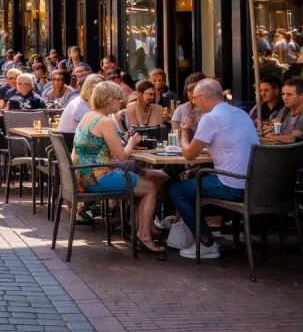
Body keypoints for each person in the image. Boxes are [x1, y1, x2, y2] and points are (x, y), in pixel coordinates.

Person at [170, 79, 260, 259]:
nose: (194, 102)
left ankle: (206, 242)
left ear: (206, 97)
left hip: (232, 185)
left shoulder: (210, 118)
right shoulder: (241, 113)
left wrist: (184, 131)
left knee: (176, 190)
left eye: (195, 98)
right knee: (195, 178)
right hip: (256, 184)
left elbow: (188, 154)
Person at [72, 81, 164, 253]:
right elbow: (122, 156)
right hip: (98, 178)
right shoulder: (105, 121)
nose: (120, 102)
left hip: (82, 176)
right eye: (117, 99)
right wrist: (131, 141)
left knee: (142, 182)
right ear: (108, 100)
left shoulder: (88, 116)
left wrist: (124, 139)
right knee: (150, 187)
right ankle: (144, 235)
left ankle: (141, 228)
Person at [267, 78, 303, 142]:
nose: (284, 98)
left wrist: (271, 136)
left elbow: (292, 139)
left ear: (301, 96)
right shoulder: (285, 110)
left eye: (289, 94)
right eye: (283, 94)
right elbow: (272, 126)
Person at [170, 72, 207, 138]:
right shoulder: (180, 110)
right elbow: (176, 137)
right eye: (189, 89)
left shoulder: (211, 110)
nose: (193, 92)